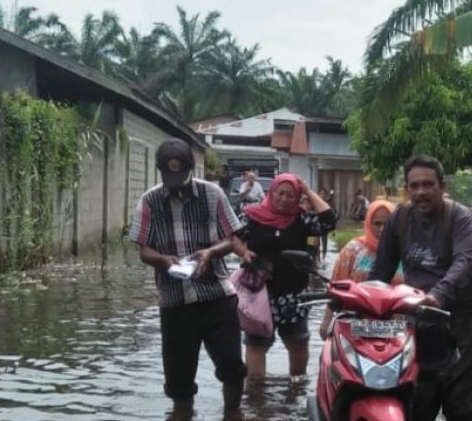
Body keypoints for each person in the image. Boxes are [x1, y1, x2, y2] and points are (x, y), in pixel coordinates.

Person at [128, 139, 254, 419]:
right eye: (169, 176)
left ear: (190, 169)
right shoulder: (149, 201)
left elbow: (230, 238)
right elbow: (144, 250)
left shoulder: (213, 194)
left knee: (232, 366)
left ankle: (232, 414)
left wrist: (209, 253)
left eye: (180, 175)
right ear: (161, 171)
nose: (175, 182)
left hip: (217, 296)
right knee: (179, 382)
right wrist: (163, 260)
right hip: (175, 301)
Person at [371, 155, 472, 421]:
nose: (420, 192)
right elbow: (381, 271)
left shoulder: (460, 218)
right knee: (418, 401)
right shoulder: (399, 218)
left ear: (442, 186)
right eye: (414, 186)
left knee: (461, 405)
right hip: (420, 316)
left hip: (464, 316)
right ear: (407, 189)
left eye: (427, 185)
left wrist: (438, 294)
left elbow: (466, 262)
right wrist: (361, 306)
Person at [236, 173, 335, 378]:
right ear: (271, 193)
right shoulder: (251, 216)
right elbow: (231, 236)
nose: (284, 199)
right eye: (280, 193)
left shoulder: (302, 218)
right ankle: (256, 399)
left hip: (294, 296)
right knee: (256, 346)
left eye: (291, 195)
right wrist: (243, 252)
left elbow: (329, 221)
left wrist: (307, 191)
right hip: (258, 295)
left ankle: (295, 393)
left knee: (298, 344)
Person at [320, 198, 402, 339]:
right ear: (368, 223)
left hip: (396, 328)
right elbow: (336, 288)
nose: (382, 229)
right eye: (377, 223)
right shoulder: (353, 250)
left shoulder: (404, 252)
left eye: (387, 223)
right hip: (354, 325)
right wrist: (326, 322)